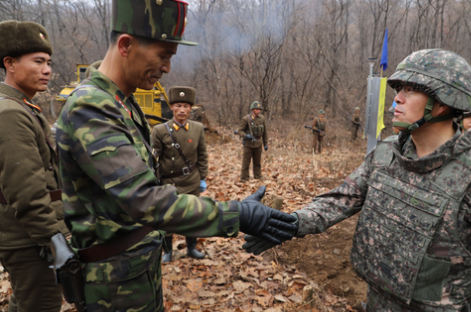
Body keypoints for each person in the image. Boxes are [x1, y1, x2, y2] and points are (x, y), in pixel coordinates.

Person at [244, 49, 471, 311]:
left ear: (444, 103)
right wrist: (292, 223)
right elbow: (342, 198)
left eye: (411, 90)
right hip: (377, 300)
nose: (397, 98)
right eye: (399, 89)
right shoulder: (386, 152)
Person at [55, 1, 296, 311]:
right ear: (126, 45)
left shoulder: (120, 103)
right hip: (112, 283)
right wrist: (238, 215)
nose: (167, 67)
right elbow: (146, 199)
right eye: (163, 55)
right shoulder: (91, 108)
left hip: (135, 270)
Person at [0, 20, 67, 312]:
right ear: (10, 63)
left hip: (29, 234)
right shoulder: (10, 113)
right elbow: (26, 190)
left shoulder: (24, 107)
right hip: (26, 238)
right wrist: (52, 238)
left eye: (49, 62)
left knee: (25, 302)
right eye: (38, 61)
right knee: (40, 306)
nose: (47, 70)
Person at [151, 86, 207, 261]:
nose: (182, 110)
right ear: (171, 107)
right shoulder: (160, 130)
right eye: (178, 106)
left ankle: (191, 248)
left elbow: (202, 155)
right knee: (167, 219)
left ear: (191, 108)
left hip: (191, 180)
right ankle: (167, 251)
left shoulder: (198, 128)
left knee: (192, 216)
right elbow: (154, 158)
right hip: (169, 183)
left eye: (186, 106)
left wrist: (202, 178)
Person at [238, 100, 268, 181]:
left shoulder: (262, 118)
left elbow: (265, 132)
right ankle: (244, 178)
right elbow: (240, 131)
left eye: (259, 109)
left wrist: (265, 143)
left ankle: (258, 176)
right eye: (257, 109)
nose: (258, 111)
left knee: (257, 163)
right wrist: (246, 135)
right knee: (246, 163)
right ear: (253, 110)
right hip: (248, 144)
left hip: (258, 143)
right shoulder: (246, 119)